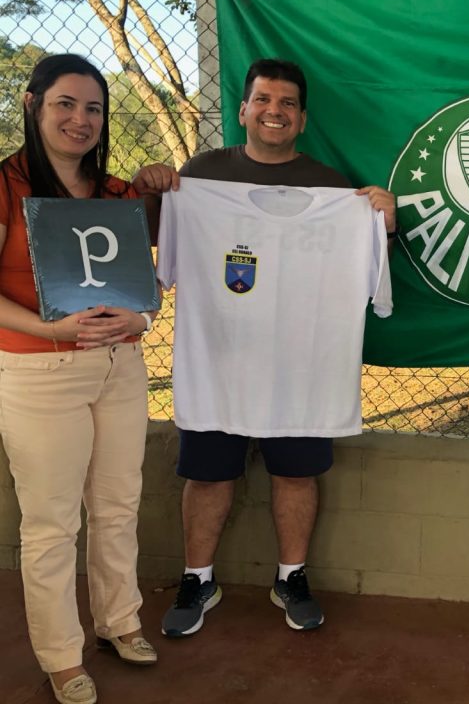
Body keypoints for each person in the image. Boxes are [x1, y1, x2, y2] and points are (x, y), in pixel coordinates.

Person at [133, 58, 396, 637]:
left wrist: (382, 223)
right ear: (244, 109)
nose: (274, 111)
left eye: (287, 104)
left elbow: (370, 270)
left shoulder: (334, 189)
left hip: (302, 367)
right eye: (263, 100)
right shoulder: (200, 178)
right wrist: (153, 193)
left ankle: (291, 576)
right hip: (218, 361)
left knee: (297, 475)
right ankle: (197, 577)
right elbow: (157, 246)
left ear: (301, 119)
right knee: (206, 476)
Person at [0, 54, 160, 704]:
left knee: (119, 506)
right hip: (38, 372)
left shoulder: (118, 193)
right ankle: (62, 656)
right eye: (66, 103)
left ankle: (120, 621)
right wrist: (50, 331)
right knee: (51, 523)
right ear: (35, 103)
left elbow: (141, 295)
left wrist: (141, 317)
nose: (81, 119)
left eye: (93, 108)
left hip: (119, 366)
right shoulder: (6, 185)